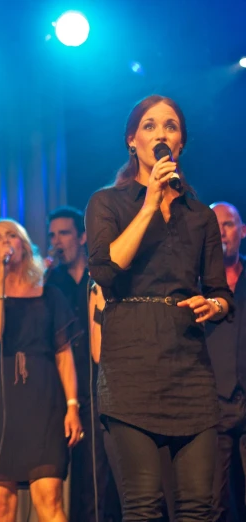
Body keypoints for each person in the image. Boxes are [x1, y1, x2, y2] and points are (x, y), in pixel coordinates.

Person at [85, 94, 234, 521]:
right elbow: (107, 268)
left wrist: (214, 305)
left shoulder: (200, 215)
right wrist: (150, 203)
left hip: (189, 367)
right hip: (131, 366)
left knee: (197, 506)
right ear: (132, 141)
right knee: (144, 503)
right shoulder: (107, 203)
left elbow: (221, 291)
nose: (161, 134)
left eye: (170, 126)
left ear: (180, 143)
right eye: (149, 126)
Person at [0, 218, 82, 522]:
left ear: (24, 246)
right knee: (0, 505)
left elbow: (64, 354)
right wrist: (1, 278)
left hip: (43, 402)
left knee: (50, 499)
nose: (5, 242)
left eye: (11, 235)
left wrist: (72, 406)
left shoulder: (50, 295)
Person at [45, 206, 114, 521]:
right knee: (56, 474)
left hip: (98, 384)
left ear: (83, 236)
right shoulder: (49, 283)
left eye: (64, 233)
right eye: (52, 235)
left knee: (97, 471)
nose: (57, 241)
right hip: (58, 392)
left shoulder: (98, 278)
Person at [207, 202, 246, 522]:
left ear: (243, 231)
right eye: (215, 224)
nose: (222, 231)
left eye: (229, 224)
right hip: (213, 405)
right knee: (215, 500)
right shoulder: (196, 284)